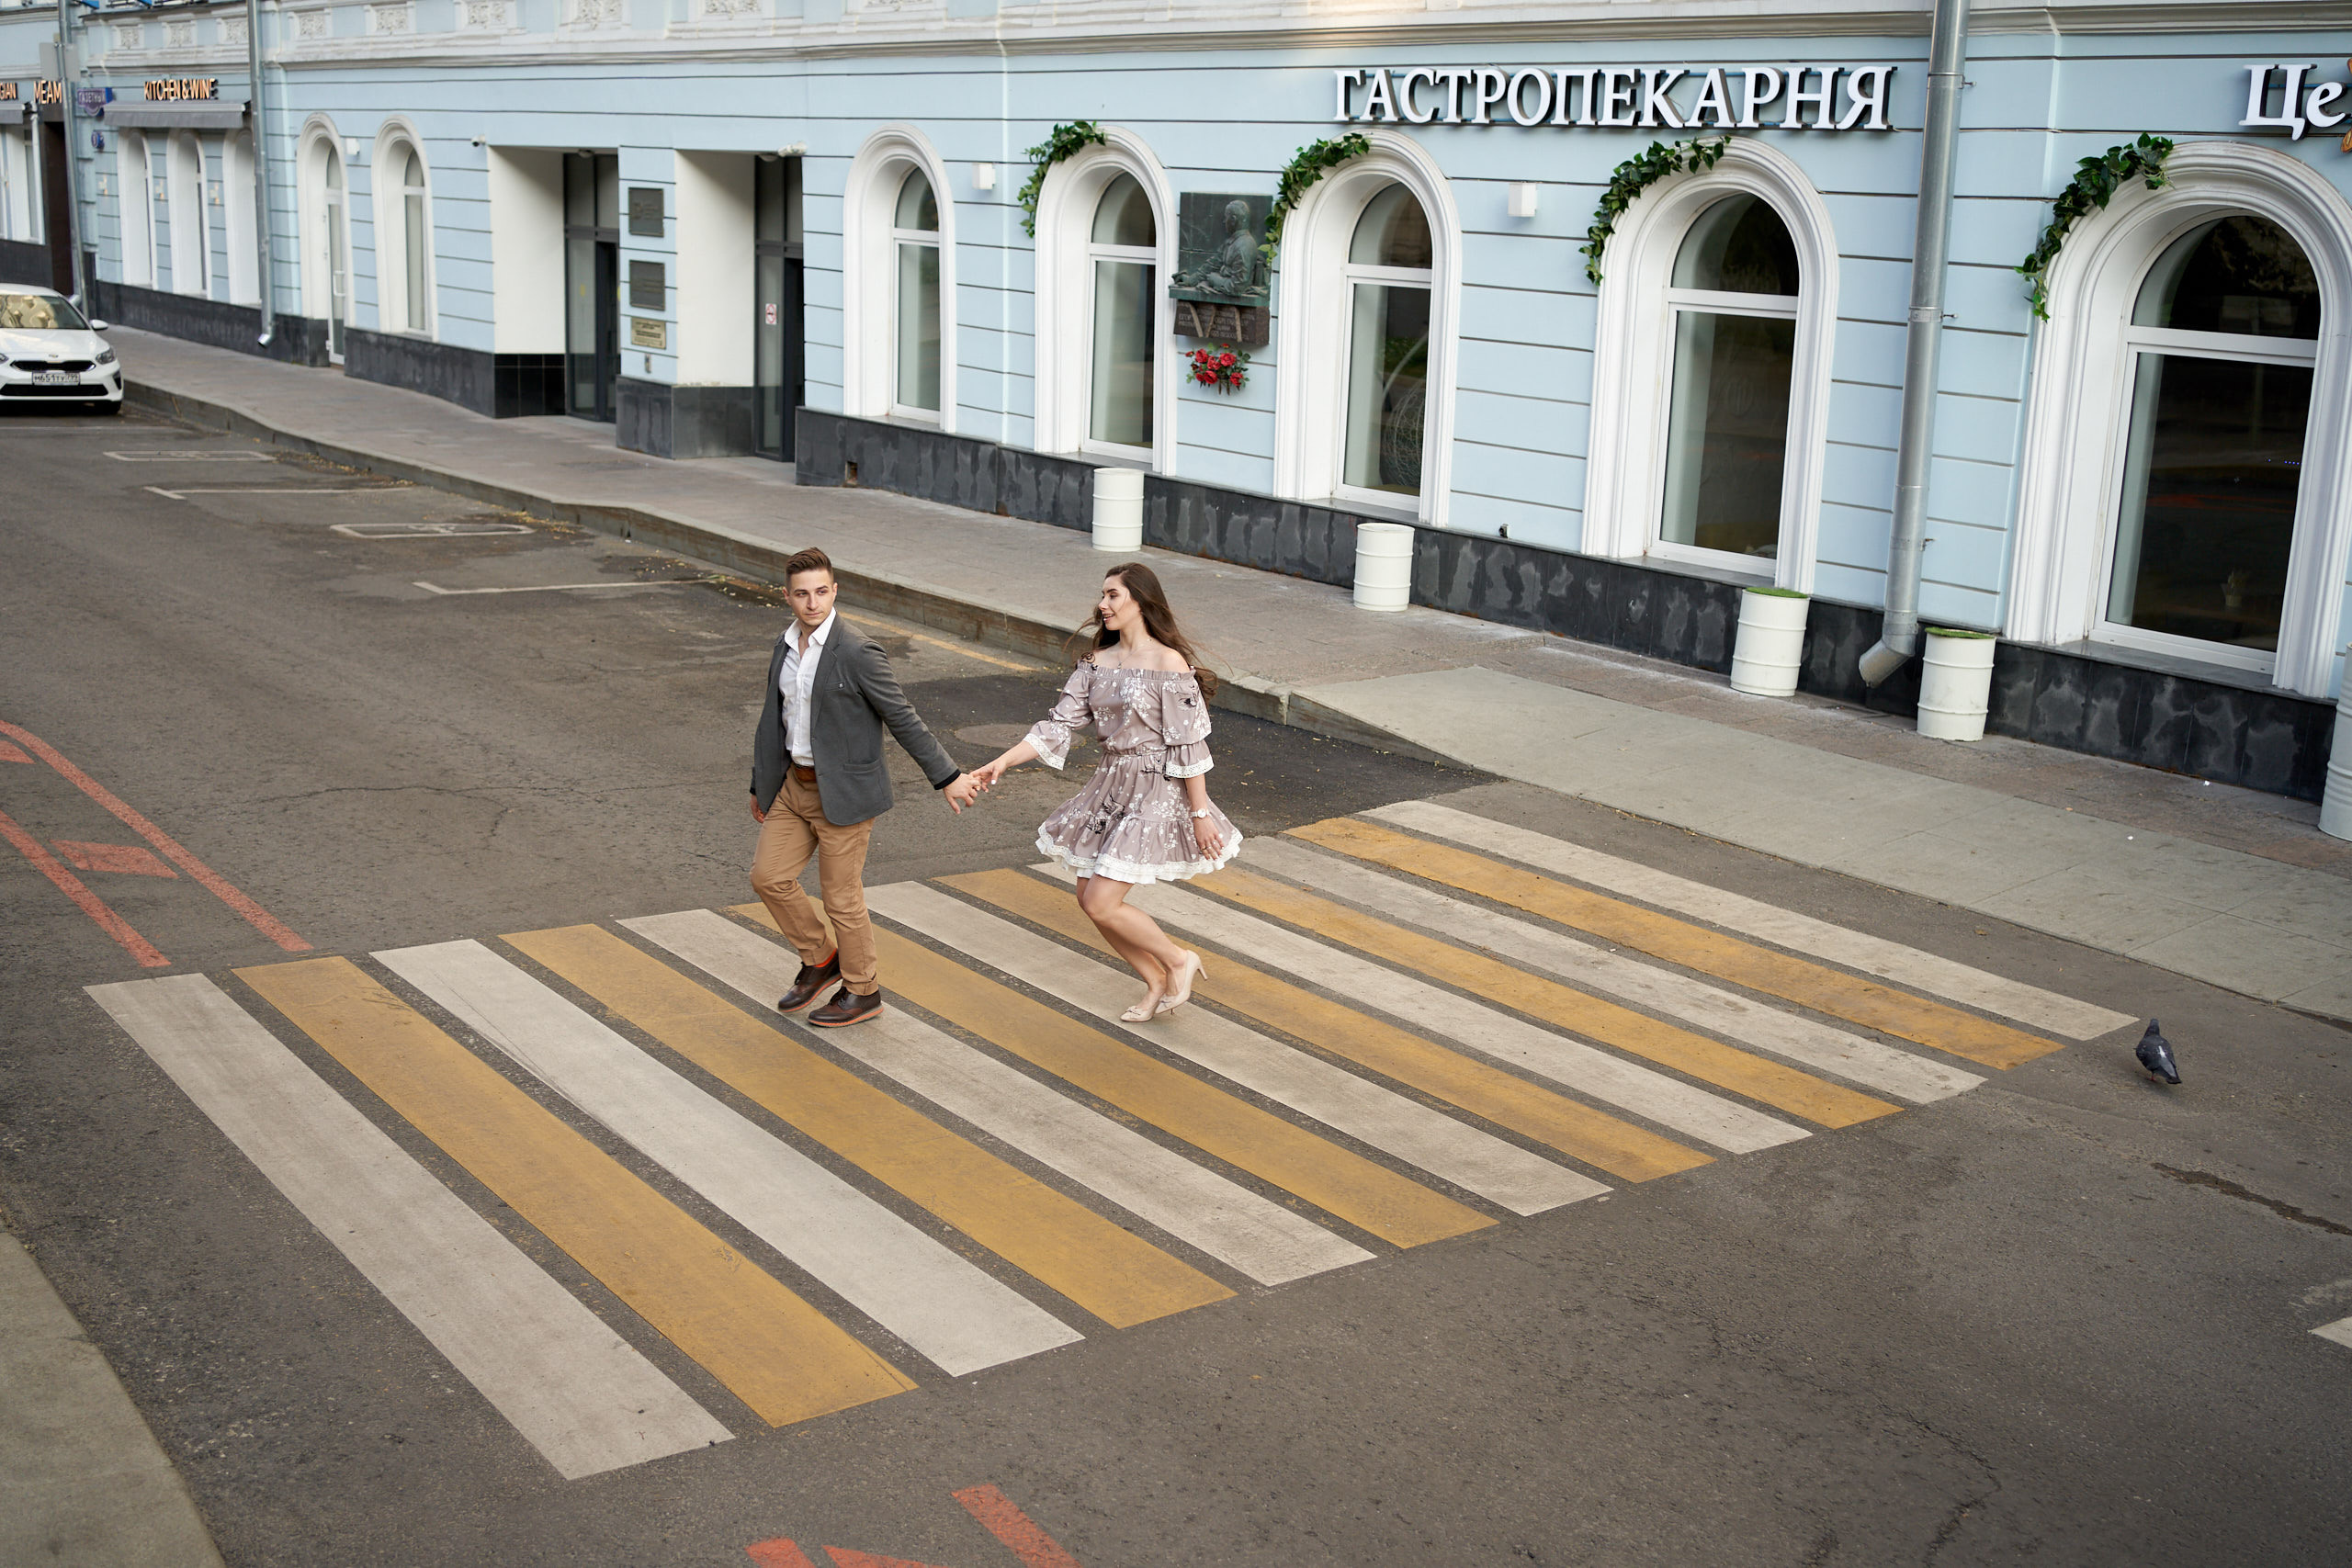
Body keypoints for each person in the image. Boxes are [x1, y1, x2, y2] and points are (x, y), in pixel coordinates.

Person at [969, 563, 1240, 1021]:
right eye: (1103, 595)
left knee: (1101, 900)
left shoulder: (1168, 664)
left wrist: (1200, 813)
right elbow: (1058, 726)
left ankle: (1178, 961)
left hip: (1158, 786)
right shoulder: (1097, 663)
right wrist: (1003, 761)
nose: (1103, 605)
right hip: (1112, 784)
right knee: (1088, 899)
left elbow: (1189, 742)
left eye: (1113, 595)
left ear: (1140, 601)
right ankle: (1154, 980)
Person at [752, 547, 983, 1026]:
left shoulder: (856, 651)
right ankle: (820, 959)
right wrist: (761, 784)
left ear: (835, 591)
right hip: (794, 788)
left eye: (821, 592)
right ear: (787, 597)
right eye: (801, 594)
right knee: (769, 878)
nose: (812, 603)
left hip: (846, 794)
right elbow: (774, 719)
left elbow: (901, 716)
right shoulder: (785, 644)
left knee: (841, 897)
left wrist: (949, 776)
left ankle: (863, 991)